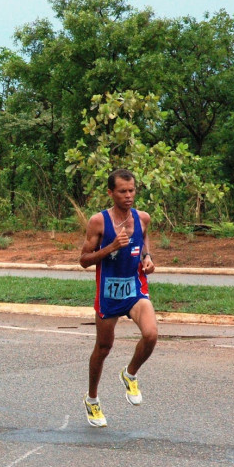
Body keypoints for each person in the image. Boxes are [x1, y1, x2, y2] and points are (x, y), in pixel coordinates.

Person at [79, 168, 157, 428]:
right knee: (103, 348)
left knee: (151, 335)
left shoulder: (142, 218)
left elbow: (144, 239)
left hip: (134, 289)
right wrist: (111, 247)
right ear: (110, 193)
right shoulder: (98, 222)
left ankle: (130, 373)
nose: (128, 196)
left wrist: (147, 258)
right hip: (108, 294)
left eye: (132, 190)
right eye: (122, 191)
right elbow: (83, 260)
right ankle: (92, 400)